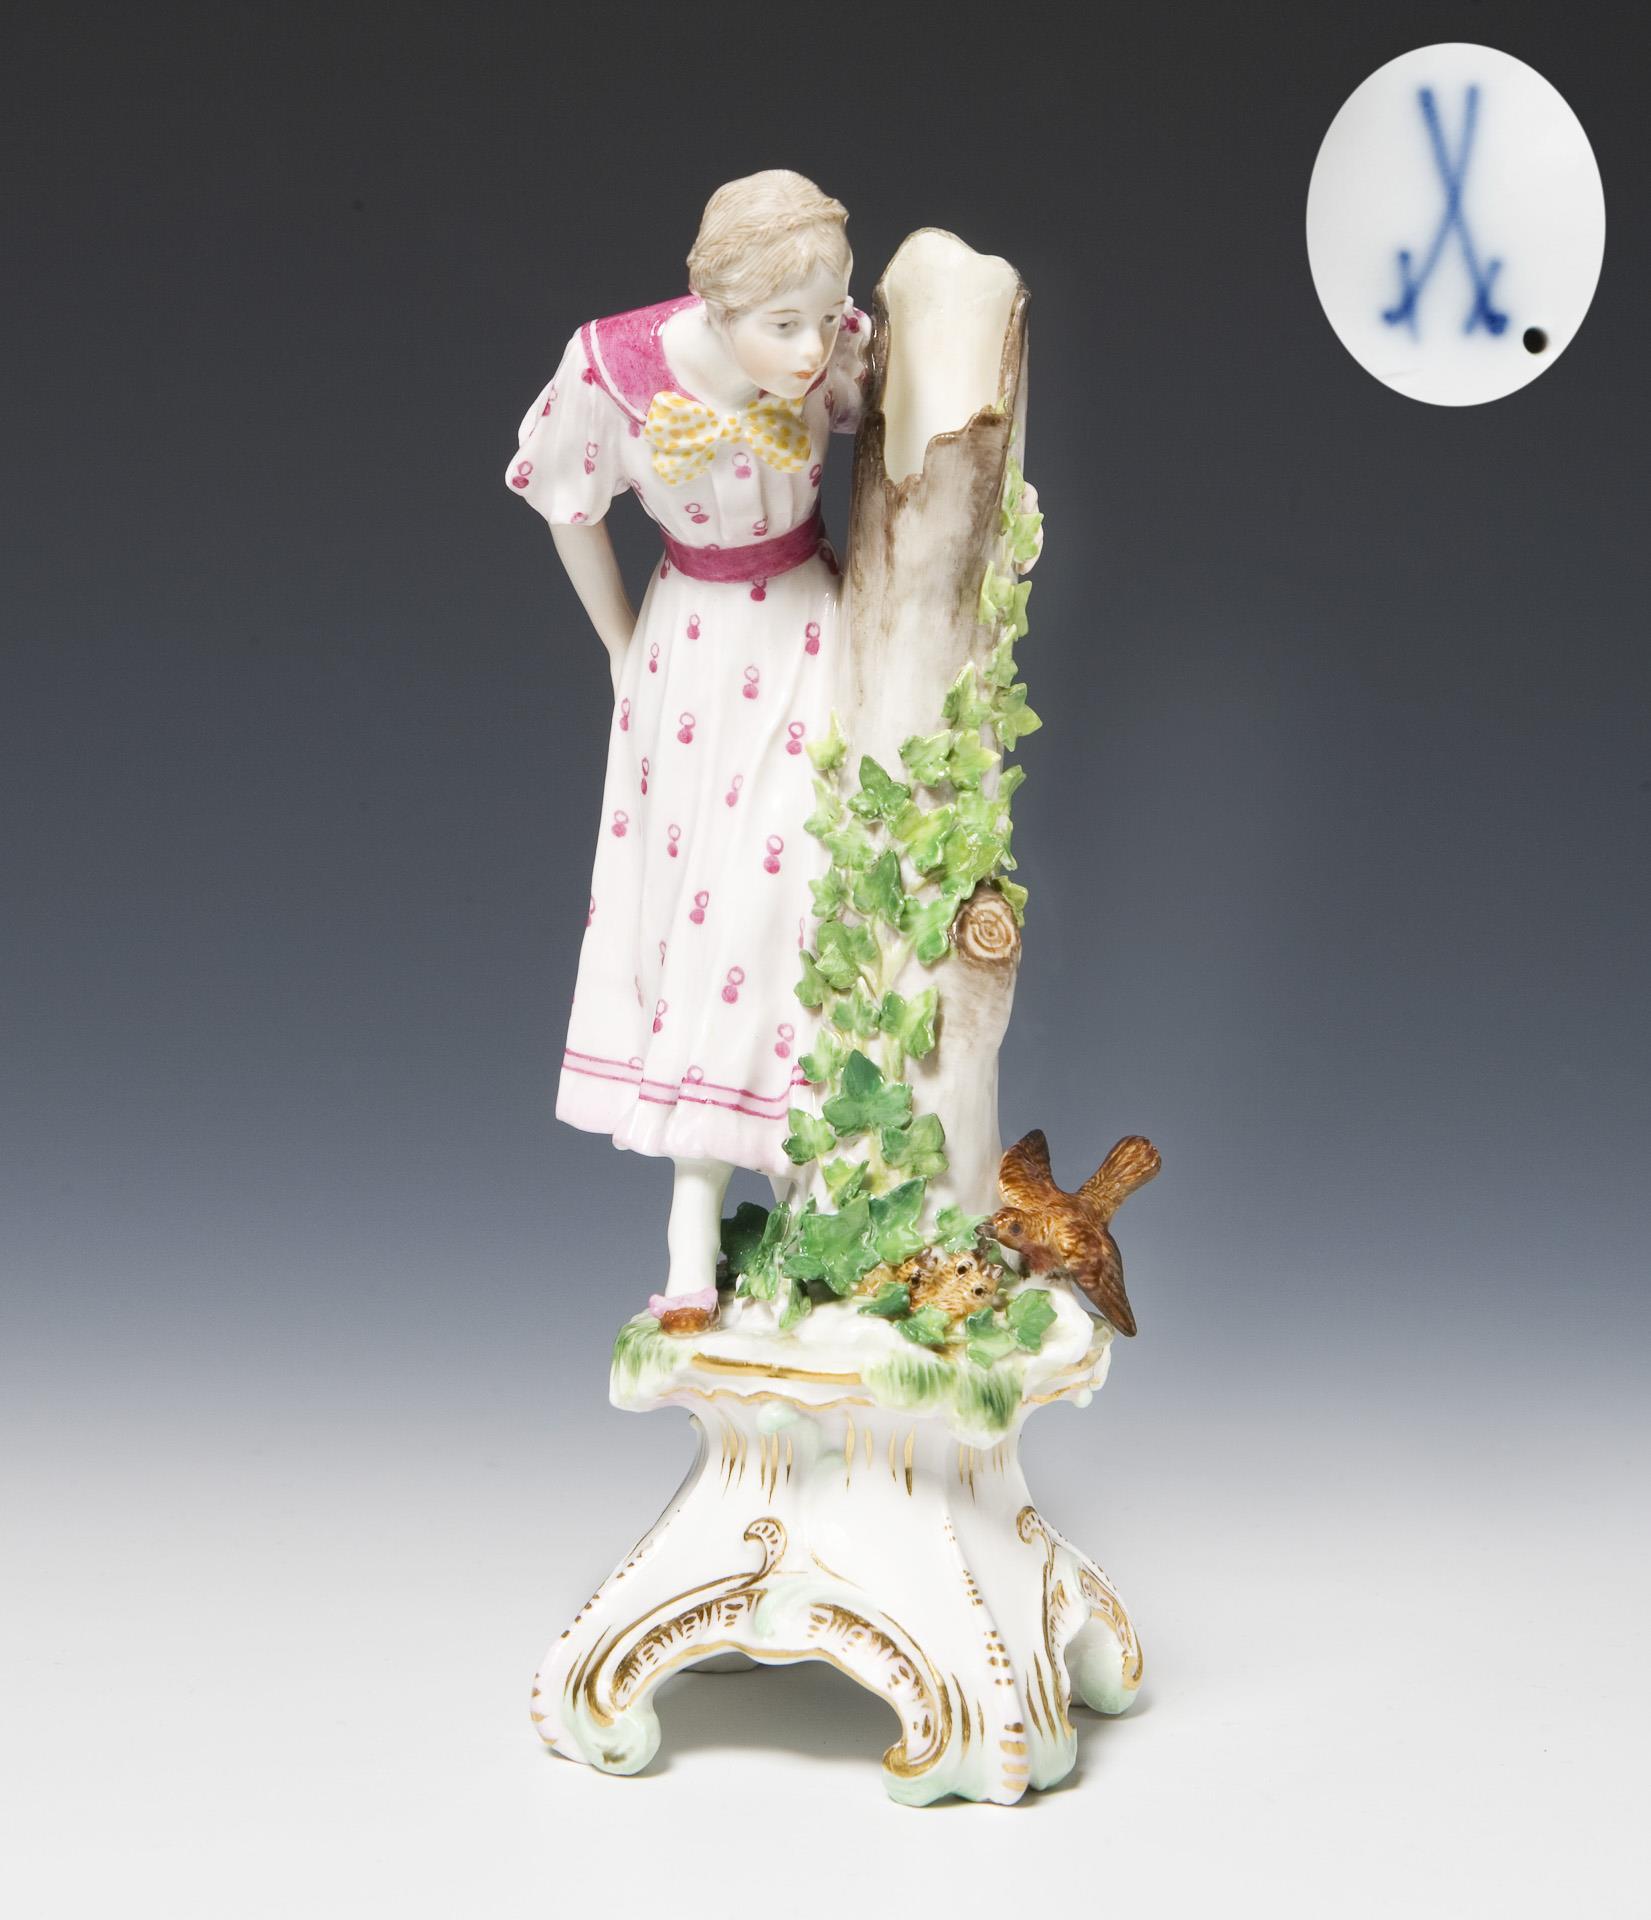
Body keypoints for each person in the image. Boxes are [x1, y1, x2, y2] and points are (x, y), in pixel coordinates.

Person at [504, 170, 871, 1329]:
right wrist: (622, 650)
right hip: (695, 658)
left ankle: (805, 1184)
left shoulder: (837, 344)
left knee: (798, 903)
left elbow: (906, 437)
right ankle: (693, 1219)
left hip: (808, 636)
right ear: (715, 304)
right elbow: (566, 503)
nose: (813, 348)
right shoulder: (612, 367)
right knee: (702, 916)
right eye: (785, 324)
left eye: (828, 315)